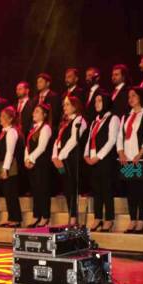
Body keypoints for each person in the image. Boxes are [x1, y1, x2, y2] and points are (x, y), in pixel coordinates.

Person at [117, 86, 143, 234]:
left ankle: (141, 221)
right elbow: (120, 136)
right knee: (131, 190)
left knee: (141, 190)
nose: (130, 99)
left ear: (140, 97)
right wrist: (121, 153)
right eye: (129, 97)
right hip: (127, 160)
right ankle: (132, 220)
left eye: (133, 95)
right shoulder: (126, 116)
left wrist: (139, 155)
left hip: (140, 159)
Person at [84, 90, 120, 232]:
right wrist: (86, 155)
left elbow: (112, 140)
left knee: (106, 189)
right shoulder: (95, 121)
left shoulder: (113, 118)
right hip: (93, 160)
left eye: (99, 100)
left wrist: (97, 157)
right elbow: (89, 140)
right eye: (95, 101)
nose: (96, 104)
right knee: (96, 190)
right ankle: (98, 217)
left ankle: (109, 219)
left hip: (105, 160)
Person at [52, 96, 87, 225]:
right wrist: (54, 156)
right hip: (62, 160)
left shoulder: (79, 120)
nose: (64, 107)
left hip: (71, 159)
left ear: (75, 106)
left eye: (67, 104)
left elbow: (74, 140)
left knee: (72, 187)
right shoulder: (65, 122)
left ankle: (74, 218)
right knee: (67, 187)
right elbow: (58, 140)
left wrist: (61, 156)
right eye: (64, 105)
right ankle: (71, 216)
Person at [24, 103, 53, 227]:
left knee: (43, 190)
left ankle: (45, 216)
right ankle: (37, 215)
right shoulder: (32, 128)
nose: (33, 114)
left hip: (41, 163)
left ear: (44, 115)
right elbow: (27, 146)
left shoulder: (45, 128)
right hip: (32, 163)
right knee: (35, 190)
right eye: (34, 111)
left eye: (37, 111)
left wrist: (30, 159)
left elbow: (42, 147)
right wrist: (26, 159)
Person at [0, 107, 23, 228]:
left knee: (11, 192)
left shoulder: (11, 131)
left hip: (9, 165)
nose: (0, 118)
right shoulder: (4, 132)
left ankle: (16, 218)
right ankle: (11, 217)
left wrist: (5, 168)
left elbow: (10, 151)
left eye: (3, 116)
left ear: (10, 118)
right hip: (2, 164)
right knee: (7, 192)